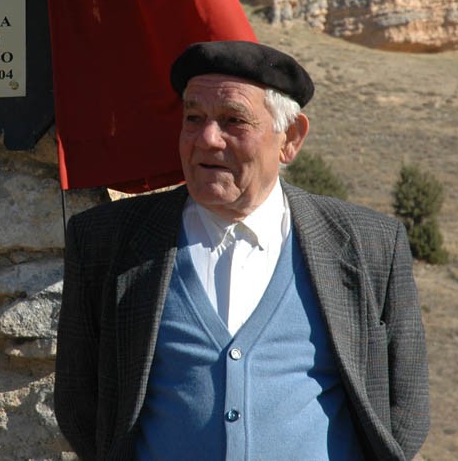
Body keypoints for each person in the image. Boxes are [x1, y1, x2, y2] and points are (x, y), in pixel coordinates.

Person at [54, 40, 429, 461]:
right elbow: (78, 403)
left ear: (290, 138)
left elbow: (406, 405)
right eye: (193, 118)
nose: (207, 139)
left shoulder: (369, 243)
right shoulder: (107, 241)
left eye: (234, 121)